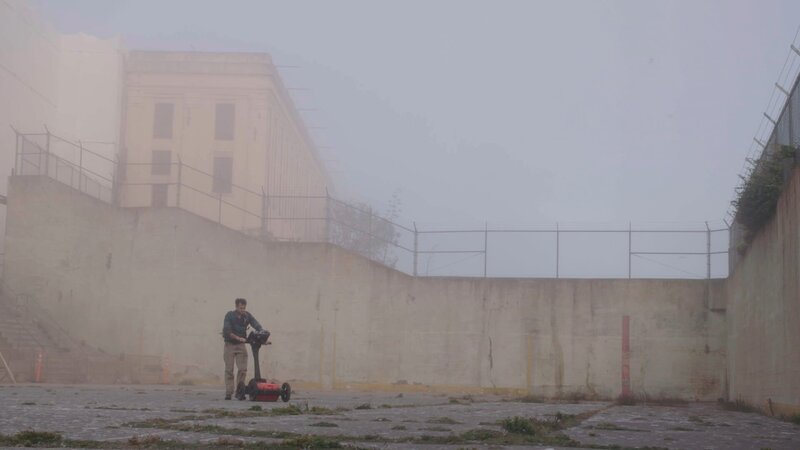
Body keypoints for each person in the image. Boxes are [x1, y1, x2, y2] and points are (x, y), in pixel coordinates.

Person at [221, 298, 265, 400]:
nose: (243, 310)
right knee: (229, 370)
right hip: (230, 345)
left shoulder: (247, 315)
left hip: (241, 345)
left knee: (242, 369)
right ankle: (229, 392)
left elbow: (255, 323)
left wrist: (262, 332)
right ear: (236, 306)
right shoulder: (229, 315)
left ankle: (239, 392)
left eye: (244, 308)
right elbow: (227, 330)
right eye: (241, 308)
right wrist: (237, 337)